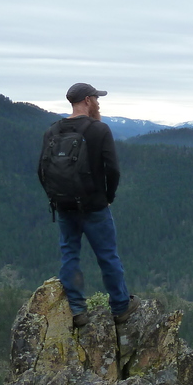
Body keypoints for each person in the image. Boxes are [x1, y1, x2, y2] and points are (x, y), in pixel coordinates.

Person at [38, 82, 138, 328]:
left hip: (64, 206)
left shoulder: (53, 130)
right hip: (94, 207)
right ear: (87, 101)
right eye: (96, 97)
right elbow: (112, 169)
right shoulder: (99, 129)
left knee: (69, 253)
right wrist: (108, 197)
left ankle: (76, 309)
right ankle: (121, 307)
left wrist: (56, 197)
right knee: (107, 256)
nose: (98, 102)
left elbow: (41, 170)